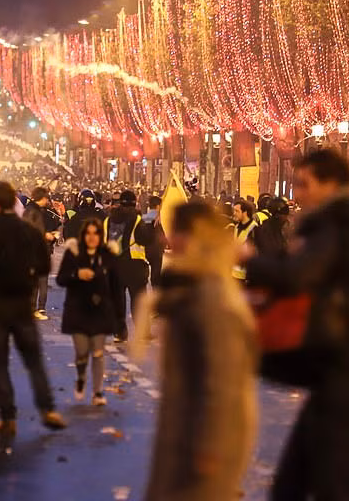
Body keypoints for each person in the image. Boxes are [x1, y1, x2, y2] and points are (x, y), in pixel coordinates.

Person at [246, 149, 349, 500]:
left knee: (329, 480)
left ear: (331, 184)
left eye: (304, 184)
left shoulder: (337, 226)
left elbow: (299, 275)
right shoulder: (342, 224)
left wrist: (250, 260)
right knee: (294, 481)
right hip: (337, 366)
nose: (298, 194)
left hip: (344, 368)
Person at [141, 201, 257, 501]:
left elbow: (223, 382)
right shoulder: (192, 287)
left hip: (203, 444)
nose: (167, 240)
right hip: (185, 433)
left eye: (176, 232)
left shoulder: (211, 296)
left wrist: (211, 447)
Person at [0, 181, 67, 436]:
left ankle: (8, 416)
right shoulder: (29, 231)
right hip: (22, 302)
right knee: (33, 360)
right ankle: (47, 409)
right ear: (14, 202)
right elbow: (44, 266)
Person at [55, 219, 117, 406]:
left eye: (95, 233)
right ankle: (81, 377)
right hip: (78, 310)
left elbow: (116, 286)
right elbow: (61, 279)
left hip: (100, 310)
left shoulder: (108, 255)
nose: (92, 237)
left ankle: (98, 392)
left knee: (98, 352)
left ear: (101, 236)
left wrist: (119, 317)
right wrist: (76, 275)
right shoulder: (73, 253)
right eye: (88, 233)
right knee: (82, 352)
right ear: (83, 235)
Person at [104, 189, 152, 341]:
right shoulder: (137, 220)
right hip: (134, 265)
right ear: (134, 202)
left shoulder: (108, 220)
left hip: (114, 266)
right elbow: (145, 240)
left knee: (117, 300)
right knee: (138, 300)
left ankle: (119, 333)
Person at [23, 187, 56, 320]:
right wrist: (46, 235)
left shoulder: (33, 210)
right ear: (42, 198)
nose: (47, 201)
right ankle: (33, 309)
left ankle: (33, 309)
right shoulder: (33, 211)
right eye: (46, 198)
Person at [230, 199, 257, 283]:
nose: (234, 213)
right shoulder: (236, 227)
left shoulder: (254, 228)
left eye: (237, 211)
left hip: (247, 276)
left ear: (245, 213)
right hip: (235, 275)